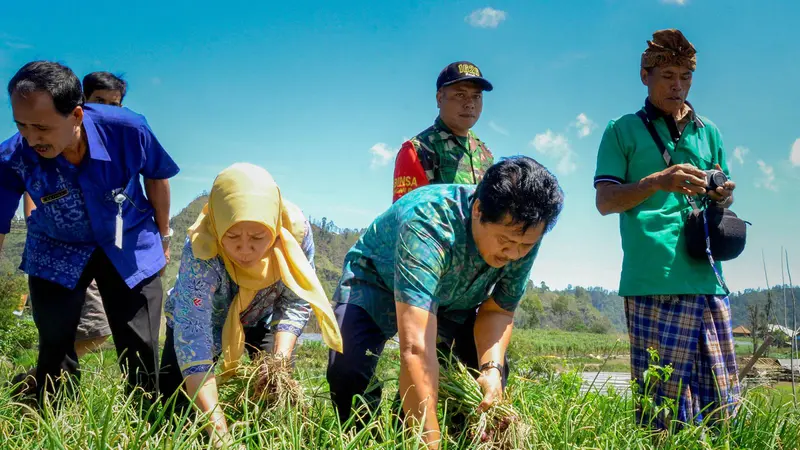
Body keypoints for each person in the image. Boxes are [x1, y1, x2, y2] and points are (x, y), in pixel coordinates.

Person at [327, 156, 564, 449]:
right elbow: (416, 349)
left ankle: (409, 433)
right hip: (376, 282)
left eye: (525, 245)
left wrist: (492, 369)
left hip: (454, 299)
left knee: (483, 379)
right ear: (478, 210)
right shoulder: (428, 223)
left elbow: (498, 311)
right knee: (348, 369)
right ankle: (369, 439)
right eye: (505, 240)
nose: (514, 254)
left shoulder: (526, 230)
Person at [0, 61, 178, 403]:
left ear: (77, 116)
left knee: (140, 339)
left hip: (127, 240)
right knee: (55, 341)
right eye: (21, 125)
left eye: (42, 127)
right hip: (55, 245)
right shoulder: (14, 157)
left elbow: (156, 175)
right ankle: (55, 417)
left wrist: (164, 235)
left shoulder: (128, 129)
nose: (31, 137)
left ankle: (148, 417)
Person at [593, 29, 740, 430]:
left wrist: (723, 195)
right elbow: (605, 202)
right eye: (668, 76)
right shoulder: (620, 130)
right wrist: (657, 181)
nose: (678, 86)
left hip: (708, 276)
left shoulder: (708, 131)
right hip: (652, 277)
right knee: (661, 409)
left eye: (686, 77)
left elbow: (722, 196)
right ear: (645, 75)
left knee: (722, 405)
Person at [159, 162, 342, 447]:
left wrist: (278, 361)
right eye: (232, 237)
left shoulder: (294, 235)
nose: (245, 250)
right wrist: (220, 434)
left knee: (273, 385)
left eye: (258, 237)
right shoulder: (201, 246)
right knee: (175, 406)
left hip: (262, 316)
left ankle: (266, 435)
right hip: (206, 320)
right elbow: (193, 334)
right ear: (219, 228)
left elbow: (295, 301)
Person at [12, 71, 130, 395]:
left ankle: (39, 374)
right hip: (58, 250)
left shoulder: (117, 143)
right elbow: (32, 185)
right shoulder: (52, 139)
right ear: (82, 105)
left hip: (104, 250)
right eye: (99, 101)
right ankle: (47, 384)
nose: (106, 109)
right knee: (62, 331)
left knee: (98, 329)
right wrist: (37, 218)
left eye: (114, 104)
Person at [392, 61, 495, 203]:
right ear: (440, 98)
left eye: (476, 96)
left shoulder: (485, 154)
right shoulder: (417, 151)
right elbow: (408, 218)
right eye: (460, 95)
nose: (470, 104)